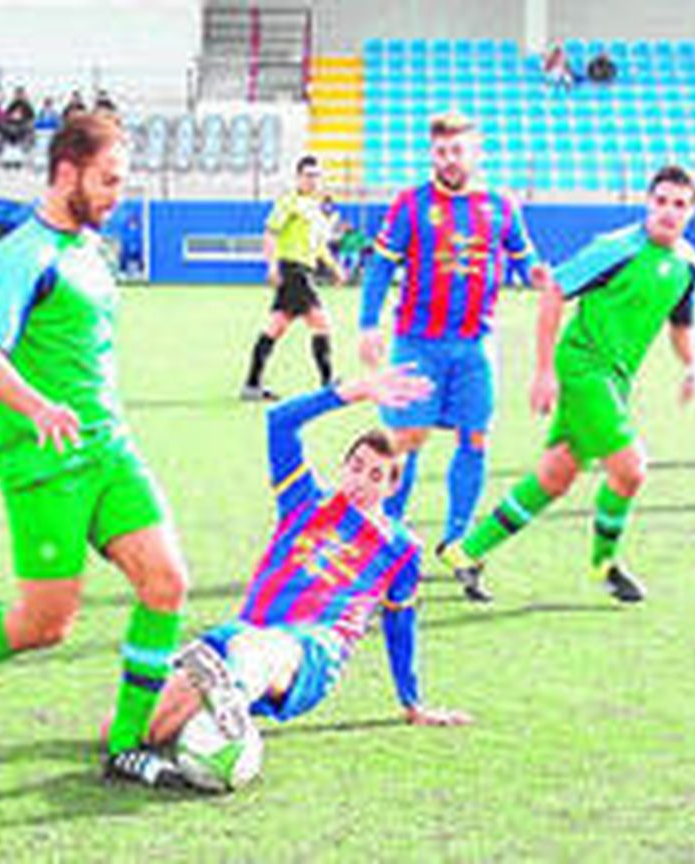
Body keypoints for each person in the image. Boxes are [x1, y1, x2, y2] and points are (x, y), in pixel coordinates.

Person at [0, 112, 193, 789]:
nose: (118, 193)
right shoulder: (26, 253)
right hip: (43, 461)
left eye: (122, 180)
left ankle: (126, 744)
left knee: (167, 582)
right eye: (108, 180)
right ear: (66, 172)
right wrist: (39, 407)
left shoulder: (88, 247)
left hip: (109, 448)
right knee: (45, 623)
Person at [136, 366, 473, 767]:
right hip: (243, 635)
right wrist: (353, 392)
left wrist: (413, 702)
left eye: (377, 475)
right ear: (344, 465)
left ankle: (230, 699)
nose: (362, 481)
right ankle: (212, 712)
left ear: (392, 487)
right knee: (134, 730)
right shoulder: (304, 502)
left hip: (312, 650)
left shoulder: (401, 549)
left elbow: (400, 627)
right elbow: (280, 422)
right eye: (357, 466)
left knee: (258, 651)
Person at [441, 165, 695, 605]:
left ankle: (465, 552)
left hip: (616, 380)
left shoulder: (689, 266)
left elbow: (681, 325)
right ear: (647, 202)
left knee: (556, 476)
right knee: (631, 468)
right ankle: (604, 565)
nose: (668, 212)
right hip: (583, 367)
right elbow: (555, 290)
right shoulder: (617, 248)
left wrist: (692, 365)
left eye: (680, 204)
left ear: (693, 211)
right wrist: (543, 371)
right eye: (661, 201)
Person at [359, 111, 548, 553]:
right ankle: (387, 539)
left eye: (457, 150)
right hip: (417, 344)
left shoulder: (501, 206)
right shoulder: (410, 204)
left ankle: (457, 543)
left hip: (474, 347)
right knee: (406, 439)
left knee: (475, 439)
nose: (449, 160)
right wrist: (368, 324)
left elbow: (525, 260)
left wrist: (546, 277)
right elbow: (380, 267)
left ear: (476, 154)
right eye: (441, 151)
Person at [240, 155, 346, 401]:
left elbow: (319, 247)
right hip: (292, 270)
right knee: (321, 323)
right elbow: (270, 234)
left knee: (275, 327)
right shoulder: (289, 202)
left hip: (303, 270)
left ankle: (252, 384)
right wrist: (272, 266)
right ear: (298, 177)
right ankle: (328, 383)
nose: (312, 180)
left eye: (316, 175)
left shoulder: (317, 210)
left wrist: (334, 267)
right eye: (308, 175)